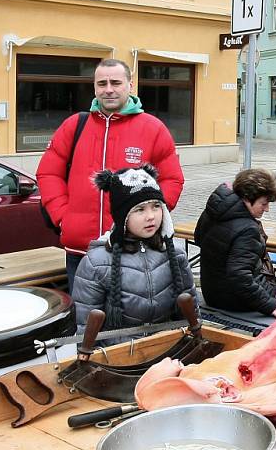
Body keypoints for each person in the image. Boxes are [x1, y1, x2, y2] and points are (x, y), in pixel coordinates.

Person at [37, 59, 184, 292]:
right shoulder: (74, 125)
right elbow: (48, 173)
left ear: (130, 85)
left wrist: (151, 217)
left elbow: (172, 179)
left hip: (133, 249)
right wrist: (63, 216)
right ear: (94, 87)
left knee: (131, 321)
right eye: (102, 83)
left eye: (116, 82)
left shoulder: (153, 128)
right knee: (84, 321)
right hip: (80, 250)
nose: (108, 89)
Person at [71, 165, 197, 338]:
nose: (151, 216)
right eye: (140, 210)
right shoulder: (97, 262)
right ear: (123, 217)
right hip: (117, 356)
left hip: (169, 349)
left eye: (155, 206)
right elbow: (84, 328)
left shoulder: (175, 253)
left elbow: (192, 311)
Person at [195, 168, 276, 316]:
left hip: (212, 292)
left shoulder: (213, 211)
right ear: (247, 198)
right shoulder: (248, 229)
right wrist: (270, 306)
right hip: (234, 298)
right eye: (263, 203)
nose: (267, 209)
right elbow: (240, 277)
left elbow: (198, 238)